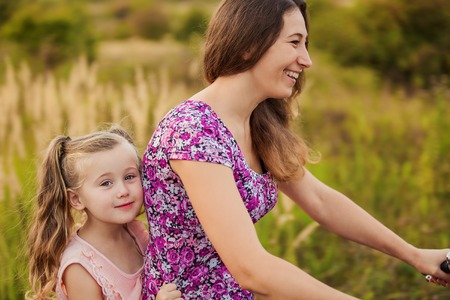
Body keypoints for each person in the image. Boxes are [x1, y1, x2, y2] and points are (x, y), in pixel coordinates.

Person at [141, 0, 450, 299]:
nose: (306, 60)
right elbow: (252, 270)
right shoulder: (192, 130)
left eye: (306, 44)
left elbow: (320, 200)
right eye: (294, 42)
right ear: (248, 44)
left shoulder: (257, 122)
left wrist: (415, 255)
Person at [27, 125, 182, 300]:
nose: (123, 190)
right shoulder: (80, 267)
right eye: (106, 183)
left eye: (129, 176)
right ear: (76, 199)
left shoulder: (134, 232)